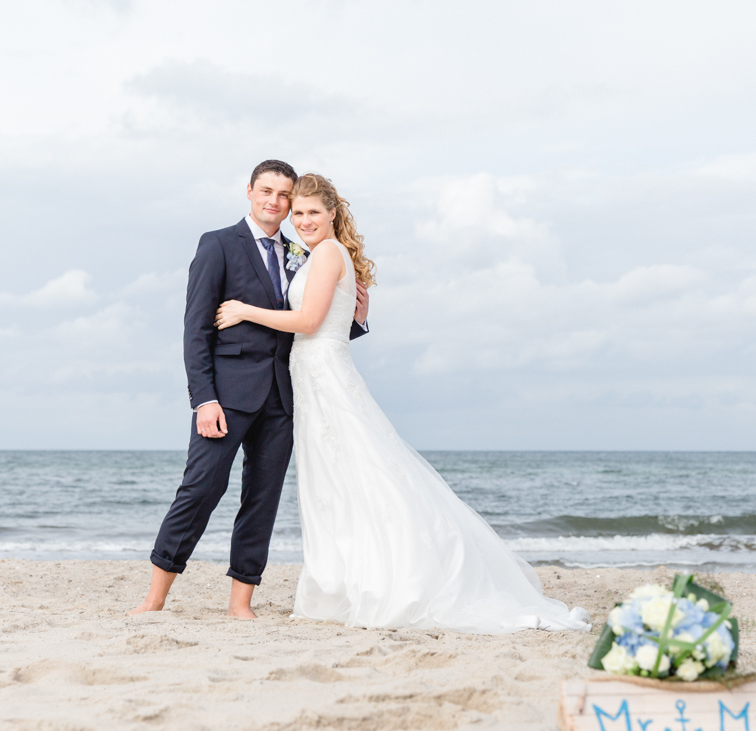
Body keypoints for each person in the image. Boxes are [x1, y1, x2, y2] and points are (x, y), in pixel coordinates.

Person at [214, 174, 589, 634]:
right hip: (311, 379)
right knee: (336, 483)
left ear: (333, 212)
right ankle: (343, 583)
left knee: (362, 476)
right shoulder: (318, 256)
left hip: (325, 374)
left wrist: (244, 310)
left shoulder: (329, 254)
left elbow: (309, 320)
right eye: (299, 213)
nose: (304, 220)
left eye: (313, 211)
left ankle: (383, 580)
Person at [129, 160, 370, 617]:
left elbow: (313, 323)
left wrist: (357, 318)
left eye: (284, 196)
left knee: (262, 499)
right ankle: (154, 598)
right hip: (227, 395)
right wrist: (203, 399)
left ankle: (241, 603)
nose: (275, 203)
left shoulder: (303, 253)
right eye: (267, 191)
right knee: (199, 489)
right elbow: (195, 330)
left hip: (283, 397)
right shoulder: (218, 245)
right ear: (249, 191)